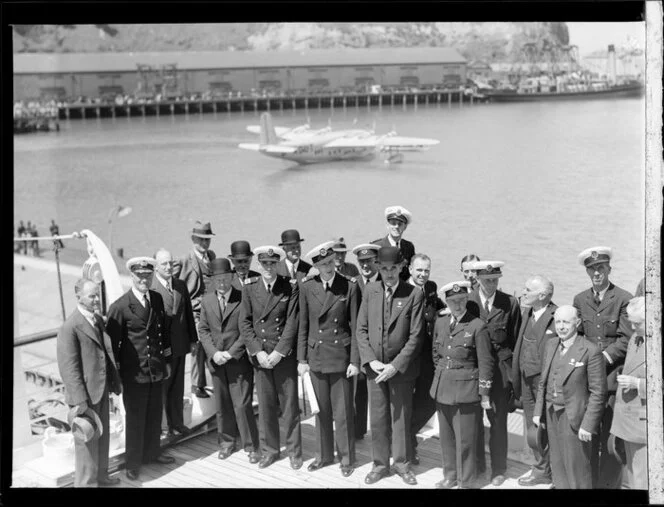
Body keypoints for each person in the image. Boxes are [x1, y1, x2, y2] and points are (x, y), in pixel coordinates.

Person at [356, 246, 424, 486]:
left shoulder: (413, 294)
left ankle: (402, 465)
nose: (388, 273)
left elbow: (416, 337)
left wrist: (395, 366)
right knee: (378, 420)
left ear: (401, 267)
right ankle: (380, 465)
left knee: (401, 419)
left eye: (393, 268)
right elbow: (361, 330)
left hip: (400, 372)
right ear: (378, 268)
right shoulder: (370, 290)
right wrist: (371, 361)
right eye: (383, 269)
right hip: (374, 371)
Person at [106, 257, 175, 481]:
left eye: (147, 275)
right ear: (132, 277)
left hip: (155, 369)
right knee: (135, 419)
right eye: (140, 276)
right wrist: (116, 378)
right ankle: (133, 462)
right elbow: (112, 347)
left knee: (155, 414)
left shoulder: (156, 299)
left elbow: (162, 333)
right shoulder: (120, 307)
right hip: (134, 374)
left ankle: (153, 453)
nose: (144, 280)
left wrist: (165, 362)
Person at [297, 241, 361, 477]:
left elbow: (355, 327)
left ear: (336, 260)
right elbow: (303, 324)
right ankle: (323, 456)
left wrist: (355, 361)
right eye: (322, 264)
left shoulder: (349, 286)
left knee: (343, 412)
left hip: (341, 358)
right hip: (316, 357)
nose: (327, 267)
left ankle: (346, 459)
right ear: (316, 265)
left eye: (330, 262)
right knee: (320, 411)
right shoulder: (307, 287)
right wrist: (301, 360)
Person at [573, 246, 633, 489]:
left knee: (608, 434)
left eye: (601, 268)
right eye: (592, 269)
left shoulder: (623, 299)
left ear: (609, 269)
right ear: (587, 272)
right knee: (587, 431)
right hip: (587, 378)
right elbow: (576, 337)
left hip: (609, 378)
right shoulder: (580, 299)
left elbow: (626, 339)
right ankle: (588, 481)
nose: (597, 273)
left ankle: (608, 484)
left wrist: (603, 358)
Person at [239, 245, 302, 470]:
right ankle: (270, 451)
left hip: (282, 356)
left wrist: (278, 352)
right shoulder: (249, 287)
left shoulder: (290, 286)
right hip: (261, 357)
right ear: (258, 264)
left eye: (272, 263)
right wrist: (258, 351)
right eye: (264, 263)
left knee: (290, 406)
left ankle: (294, 452)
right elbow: (244, 323)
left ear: (278, 264)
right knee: (265, 407)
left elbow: (292, 322)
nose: (268, 267)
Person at [56, 279, 122, 487]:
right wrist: (79, 401)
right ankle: (86, 485)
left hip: (100, 390)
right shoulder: (70, 327)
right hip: (84, 396)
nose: (96, 300)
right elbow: (69, 368)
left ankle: (101, 477)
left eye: (97, 295)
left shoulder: (96, 320)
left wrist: (112, 383)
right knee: (86, 443)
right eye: (92, 296)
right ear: (79, 297)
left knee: (102, 438)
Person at [533, 305, 607, 489]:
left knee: (577, 470)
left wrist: (588, 425)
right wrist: (538, 412)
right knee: (557, 465)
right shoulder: (551, 345)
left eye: (566, 322)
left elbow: (598, 392)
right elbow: (543, 381)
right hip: (551, 414)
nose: (561, 326)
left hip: (574, 418)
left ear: (577, 323)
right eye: (558, 322)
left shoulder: (590, 351)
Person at [430, 281, 494, 489]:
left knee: (466, 440)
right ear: (446, 302)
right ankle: (450, 476)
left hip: (466, 392)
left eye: (460, 300)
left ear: (466, 299)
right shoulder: (440, 323)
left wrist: (484, 393)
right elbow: (435, 354)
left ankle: (466, 481)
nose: (457, 305)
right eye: (452, 301)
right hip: (443, 388)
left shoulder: (477, 326)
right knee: (446, 438)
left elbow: (485, 362)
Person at [199, 258, 260, 464]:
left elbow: (247, 330)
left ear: (232, 277)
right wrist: (214, 353)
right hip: (216, 362)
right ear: (213, 280)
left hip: (237, 361)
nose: (222, 283)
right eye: (218, 279)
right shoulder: (206, 301)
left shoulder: (242, 298)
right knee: (222, 405)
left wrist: (231, 352)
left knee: (242, 405)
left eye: (225, 278)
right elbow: (204, 330)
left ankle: (251, 445)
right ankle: (226, 443)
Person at [466, 260, 522, 486]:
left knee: (498, 422)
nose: (490, 284)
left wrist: (512, 375)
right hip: (474, 368)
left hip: (499, 371)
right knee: (473, 420)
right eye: (486, 280)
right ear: (477, 279)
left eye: (494, 280)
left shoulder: (509, 302)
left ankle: (499, 468)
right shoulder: (467, 302)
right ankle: (478, 463)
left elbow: (515, 339)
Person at [512, 275, 557, 486]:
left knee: (545, 427)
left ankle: (546, 470)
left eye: (527, 289)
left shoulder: (557, 317)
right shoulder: (527, 311)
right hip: (525, 381)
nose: (523, 291)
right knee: (533, 427)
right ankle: (540, 468)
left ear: (542, 295)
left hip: (544, 385)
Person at [151, 249, 197, 437]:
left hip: (180, 345)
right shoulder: (152, 289)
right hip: (163, 350)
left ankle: (177, 422)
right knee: (163, 389)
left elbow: (187, 316)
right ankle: (164, 427)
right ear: (156, 267)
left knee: (178, 387)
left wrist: (193, 340)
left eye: (170, 263)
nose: (169, 267)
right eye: (164, 264)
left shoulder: (180, 285)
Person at [407, 253, 445, 465]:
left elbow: (439, 310)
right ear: (411, 269)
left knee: (430, 400)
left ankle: (409, 434)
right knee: (405, 403)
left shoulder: (430, 288)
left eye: (426, 270)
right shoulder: (402, 290)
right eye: (419, 270)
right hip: (406, 357)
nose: (422, 274)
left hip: (427, 357)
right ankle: (407, 445)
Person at [609, 296, 647, 490]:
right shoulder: (636, 337)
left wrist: (637, 383)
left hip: (644, 423)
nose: (632, 328)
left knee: (643, 477)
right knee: (632, 474)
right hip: (628, 420)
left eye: (637, 323)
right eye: (631, 323)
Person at [176, 221, 217, 399]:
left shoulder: (212, 256)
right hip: (195, 311)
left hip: (212, 308)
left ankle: (214, 381)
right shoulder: (185, 260)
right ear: (193, 239)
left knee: (214, 344)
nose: (204, 244)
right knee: (198, 346)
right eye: (200, 240)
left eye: (207, 240)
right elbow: (175, 284)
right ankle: (196, 385)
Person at [350, 243, 381, 440]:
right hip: (359, 345)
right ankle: (359, 430)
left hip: (380, 345)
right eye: (362, 262)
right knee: (359, 390)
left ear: (376, 261)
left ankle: (383, 435)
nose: (365, 265)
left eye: (369, 261)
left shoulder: (385, 282)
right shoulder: (353, 284)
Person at [372, 206, 416, 281]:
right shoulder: (376, 246)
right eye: (393, 223)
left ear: (405, 227)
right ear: (387, 225)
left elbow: (411, 271)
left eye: (400, 224)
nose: (396, 226)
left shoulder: (408, 247)